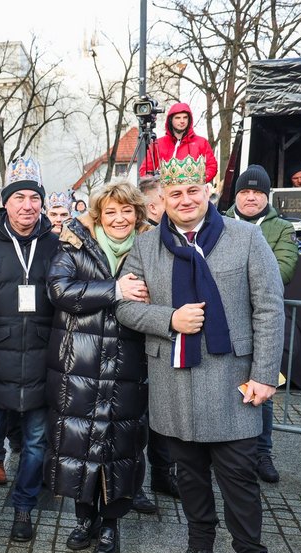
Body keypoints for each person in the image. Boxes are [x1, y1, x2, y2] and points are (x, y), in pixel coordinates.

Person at [116, 155, 285, 553]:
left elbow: (269, 309)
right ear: (162, 201)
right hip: (174, 385)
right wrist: (168, 319)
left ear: (208, 191)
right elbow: (125, 308)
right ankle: (200, 546)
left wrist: (266, 375)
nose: (185, 200)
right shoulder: (147, 247)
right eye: (175, 194)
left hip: (234, 387)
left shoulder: (245, 239)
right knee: (188, 479)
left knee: (241, 489)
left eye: (193, 191)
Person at [46, 180, 150, 553]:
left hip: (129, 361)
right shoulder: (74, 242)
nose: (119, 218)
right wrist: (114, 290)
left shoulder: (150, 247)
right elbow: (59, 290)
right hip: (79, 362)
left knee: (120, 447)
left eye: (127, 211)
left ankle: (111, 525)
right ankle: (83, 518)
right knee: (78, 443)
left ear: (137, 214)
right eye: (111, 211)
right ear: (98, 215)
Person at [0, 157, 59, 540]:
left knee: (35, 443)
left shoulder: (55, 244)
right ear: (5, 203)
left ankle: (23, 508)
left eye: (34, 198)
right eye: (19, 197)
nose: (27, 206)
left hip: (41, 360)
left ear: (41, 202)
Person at [225, 165, 299, 484]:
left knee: (262, 386)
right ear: (237, 195)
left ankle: (262, 452)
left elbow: (284, 269)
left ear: (266, 197)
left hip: (260, 322)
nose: (250, 197)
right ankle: (222, 449)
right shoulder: (218, 221)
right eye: (245, 191)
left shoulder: (281, 228)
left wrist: (237, 282)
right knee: (222, 387)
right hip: (222, 321)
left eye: (257, 192)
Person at [133, 176, 179, 505]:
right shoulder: (140, 240)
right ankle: (134, 486)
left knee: (162, 414)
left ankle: (164, 474)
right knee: (135, 420)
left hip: (163, 339)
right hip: (135, 336)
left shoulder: (173, 239)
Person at [139, 103, 218, 184]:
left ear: (189, 119)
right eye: (177, 118)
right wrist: (156, 185)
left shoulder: (201, 142)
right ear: (171, 120)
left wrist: (198, 182)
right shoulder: (157, 144)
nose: (182, 121)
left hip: (192, 192)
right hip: (165, 193)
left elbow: (212, 166)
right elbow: (145, 170)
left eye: (185, 117)